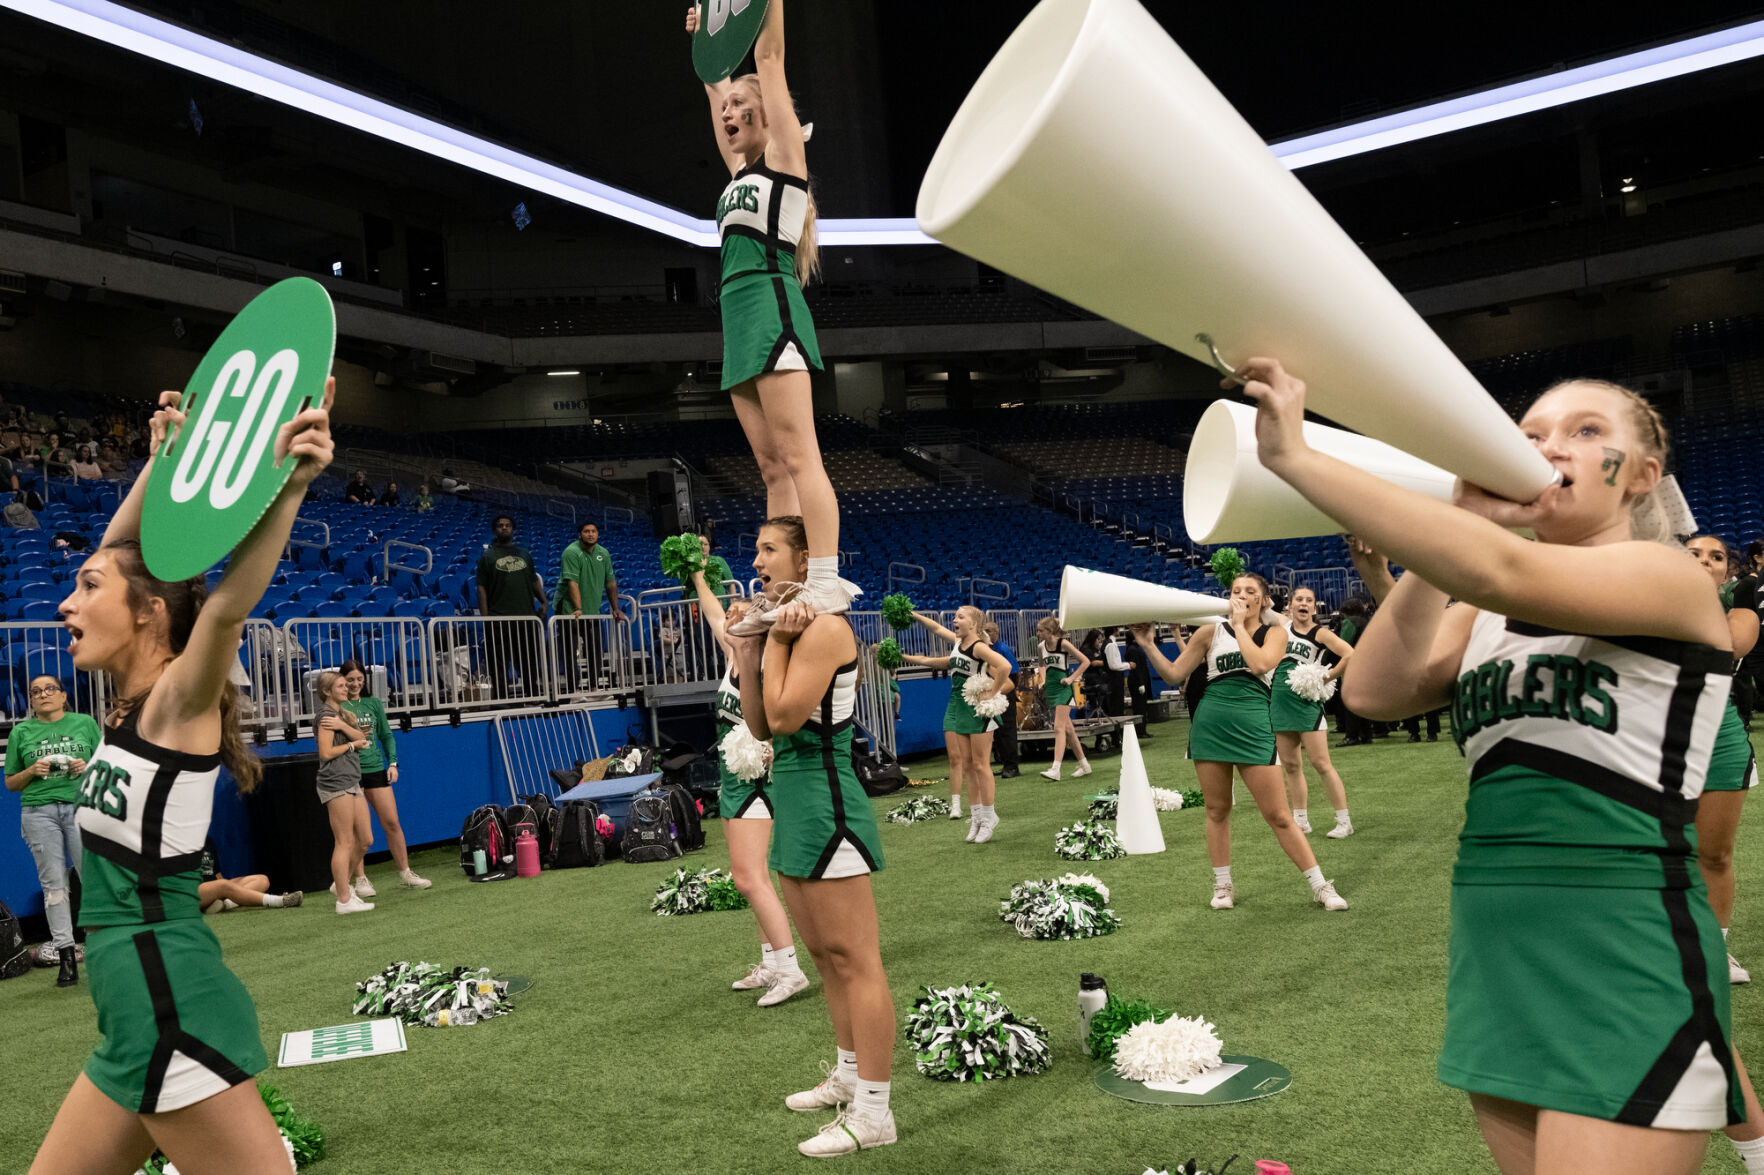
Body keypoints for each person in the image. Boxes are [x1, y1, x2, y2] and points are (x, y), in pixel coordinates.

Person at [1237, 356, 1764, 1173]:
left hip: (1621, 936)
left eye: (1586, 433)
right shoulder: (1485, 600)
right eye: (1530, 435)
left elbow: (1499, 564)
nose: (1549, 446)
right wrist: (1459, 520)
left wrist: (1299, 458)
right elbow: (1374, 691)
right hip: (1497, 940)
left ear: (1643, 477)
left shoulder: (1670, 573)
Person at [31, 380, 334, 1174]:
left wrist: (290, 486)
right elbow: (121, 551)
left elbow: (228, 605)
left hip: (171, 1001)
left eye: (86, 589)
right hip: (131, 1010)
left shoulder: (177, 702)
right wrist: (161, 463)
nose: (67, 604)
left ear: (148, 616)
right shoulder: (128, 703)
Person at [686, 1, 853, 625]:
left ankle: (827, 580)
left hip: (772, 305)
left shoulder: (786, 162)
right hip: (737, 321)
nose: (729, 114)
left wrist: (765, 5)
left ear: (768, 116)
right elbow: (715, 86)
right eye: (726, 110)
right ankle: (783, 585)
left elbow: (769, 57)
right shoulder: (738, 172)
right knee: (770, 467)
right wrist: (708, 52)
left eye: (740, 107)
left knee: (801, 454)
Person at [751, 516, 896, 1155]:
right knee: (826, 960)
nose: (757, 562)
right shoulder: (791, 627)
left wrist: (775, 644)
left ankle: (875, 1113)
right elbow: (758, 726)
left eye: (769, 550)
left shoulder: (828, 628)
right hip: (796, 799)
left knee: (858, 963)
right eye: (757, 549)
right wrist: (748, 647)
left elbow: (783, 717)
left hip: (830, 801)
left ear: (808, 560)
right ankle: (845, 1078)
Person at [1130, 573, 1349, 913]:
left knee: (1278, 814)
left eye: (1250, 591)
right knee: (1217, 810)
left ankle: (1321, 885)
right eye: (1236, 591)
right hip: (1210, 724)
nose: (1242, 595)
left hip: (1254, 726)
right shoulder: (1209, 632)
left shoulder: (1275, 633)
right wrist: (1147, 643)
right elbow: (1174, 674)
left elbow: (1261, 663)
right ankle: (1222, 885)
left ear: (1263, 600)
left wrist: (1240, 626)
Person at [691, 565, 810, 1007]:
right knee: (756, 876)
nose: (730, 617)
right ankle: (771, 963)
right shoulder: (735, 655)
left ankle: (791, 968)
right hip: (735, 778)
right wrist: (699, 578)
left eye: (740, 613)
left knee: (747, 878)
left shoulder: (763, 665)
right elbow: (711, 613)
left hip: (755, 779)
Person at [1687, 536, 1761, 986]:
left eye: (1716, 557)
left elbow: (1730, 645)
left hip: (1720, 741)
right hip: (1648, 740)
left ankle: (1714, 948)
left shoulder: (1739, 610)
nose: (1705, 561)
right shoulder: (1636, 601)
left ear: (1726, 572)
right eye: (1693, 553)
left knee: (1713, 854)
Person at [6, 673, 100, 985]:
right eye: (35, 691)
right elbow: (10, 783)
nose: (43, 694)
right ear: (31, 701)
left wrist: (87, 767)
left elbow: (104, 765)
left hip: (81, 807)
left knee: (93, 880)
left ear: (62, 695)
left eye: (50, 688)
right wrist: (31, 770)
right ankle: (66, 955)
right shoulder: (22, 731)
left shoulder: (85, 724)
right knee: (55, 887)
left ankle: (101, 947)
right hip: (38, 812)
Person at [902, 606, 1013, 844]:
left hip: (978, 710)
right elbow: (934, 629)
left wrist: (992, 692)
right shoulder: (958, 644)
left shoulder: (979, 647)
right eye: (955, 616)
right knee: (969, 766)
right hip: (961, 709)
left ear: (974, 624)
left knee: (982, 765)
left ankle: (989, 816)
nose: (955, 619)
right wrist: (914, 616)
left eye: (961, 617)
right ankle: (975, 817)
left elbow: (1005, 667)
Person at [1270, 586, 1358, 839]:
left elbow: (1349, 653)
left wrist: (1326, 676)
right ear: (1290, 604)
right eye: (1299, 599)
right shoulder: (1283, 625)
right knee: (1291, 765)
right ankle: (1301, 820)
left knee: (1321, 763)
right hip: (1279, 701)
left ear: (1315, 607)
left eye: (1309, 600)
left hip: (1306, 703)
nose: (1304, 603)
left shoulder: (1320, 632)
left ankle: (1344, 821)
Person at [340, 658, 430, 894]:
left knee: (392, 822)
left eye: (360, 679)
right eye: (350, 680)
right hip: (351, 773)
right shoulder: (338, 706)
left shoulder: (373, 703)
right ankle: (360, 879)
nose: (355, 684)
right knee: (358, 832)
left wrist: (393, 763)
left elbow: (387, 736)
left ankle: (406, 872)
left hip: (376, 769)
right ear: (342, 680)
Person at [313, 668, 373, 914]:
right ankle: (344, 900)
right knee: (344, 842)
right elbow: (326, 754)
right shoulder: (326, 716)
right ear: (327, 691)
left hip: (352, 780)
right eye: (340, 686)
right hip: (335, 783)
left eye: (345, 686)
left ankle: (341, 886)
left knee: (365, 839)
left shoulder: (341, 715)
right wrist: (351, 745)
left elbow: (362, 737)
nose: (346, 689)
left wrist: (344, 728)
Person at [477, 515, 548, 699]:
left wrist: (544, 601)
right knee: (499, 664)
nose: (504, 528)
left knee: (528, 661)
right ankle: (501, 699)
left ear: (513, 529)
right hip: (499, 618)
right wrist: (486, 618)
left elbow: (533, 581)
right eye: (500, 525)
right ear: (495, 530)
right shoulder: (488, 556)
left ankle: (532, 696)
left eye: (508, 525)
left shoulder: (524, 554)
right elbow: (481, 588)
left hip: (526, 617)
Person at [552, 520, 624, 693]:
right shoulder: (571, 552)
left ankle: (593, 686)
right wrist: (577, 608)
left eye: (593, 531)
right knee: (570, 651)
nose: (590, 534)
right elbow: (572, 583)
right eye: (586, 531)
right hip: (569, 610)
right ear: (580, 535)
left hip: (593, 610)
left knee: (596, 649)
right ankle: (573, 689)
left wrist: (615, 608)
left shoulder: (603, 553)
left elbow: (611, 583)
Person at [1033, 617, 1094, 781]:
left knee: (1058, 727)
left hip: (1063, 689)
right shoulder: (1040, 647)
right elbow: (1041, 665)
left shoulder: (1063, 644)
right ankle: (1085, 765)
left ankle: (1056, 769)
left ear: (1050, 631)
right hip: (1051, 689)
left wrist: (1071, 678)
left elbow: (1085, 661)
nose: (1038, 633)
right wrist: (1043, 680)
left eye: (1041, 630)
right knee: (1069, 731)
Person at [196, 839, 299, 913]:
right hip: (192, 892)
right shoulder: (182, 845)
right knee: (223, 885)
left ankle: (227, 904)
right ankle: (279, 901)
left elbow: (217, 876)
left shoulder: (207, 840)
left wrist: (230, 889)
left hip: (214, 887)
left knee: (262, 880)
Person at [984, 619, 1021, 778]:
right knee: (997, 731)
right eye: (983, 631)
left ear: (996, 633)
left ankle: (1012, 766)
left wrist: (1006, 692)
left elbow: (1014, 674)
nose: (986, 634)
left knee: (1007, 730)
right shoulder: (986, 650)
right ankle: (1004, 762)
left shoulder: (1003, 649)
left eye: (988, 631)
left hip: (1005, 693)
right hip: (992, 691)